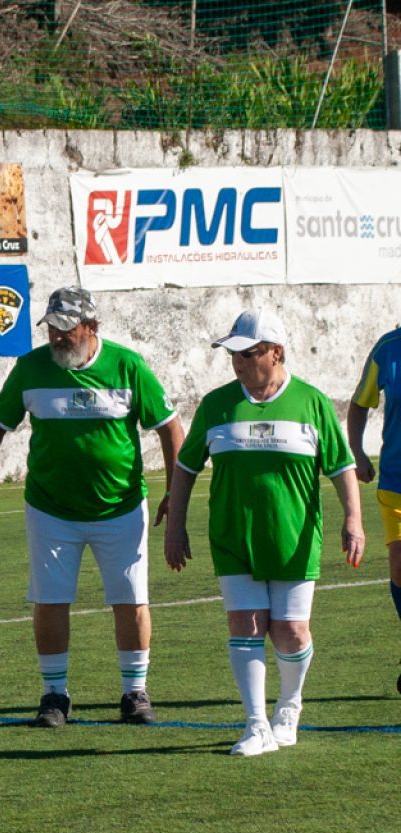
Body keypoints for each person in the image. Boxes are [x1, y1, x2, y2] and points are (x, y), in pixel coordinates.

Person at [0, 286, 184, 727]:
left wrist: (173, 492)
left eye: (67, 329)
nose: (58, 338)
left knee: (131, 599)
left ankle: (135, 692)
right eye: (52, 329)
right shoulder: (30, 368)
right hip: (51, 511)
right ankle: (53, 696)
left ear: (91, 327)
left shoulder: (128, 366)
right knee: (50, 601)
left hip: (120, 509)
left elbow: (169, 428)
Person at [165, 308, 364, 756]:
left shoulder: (311, 402)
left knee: (291, 631)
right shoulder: (216, 405)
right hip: (233, 537)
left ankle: (289, 707)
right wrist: (175, 527)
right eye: (232, 354)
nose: (237, 363)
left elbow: (342, 467)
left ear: (275, 353)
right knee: (246, 624)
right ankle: (256, 725)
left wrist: (353, 520)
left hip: (294, 538)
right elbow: (185, 467)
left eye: (247, 353)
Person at [347, 322, 401, 693]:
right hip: (397, 479)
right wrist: (358, 450)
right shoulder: (388, 348)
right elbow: (359, 404)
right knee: (400, 566)